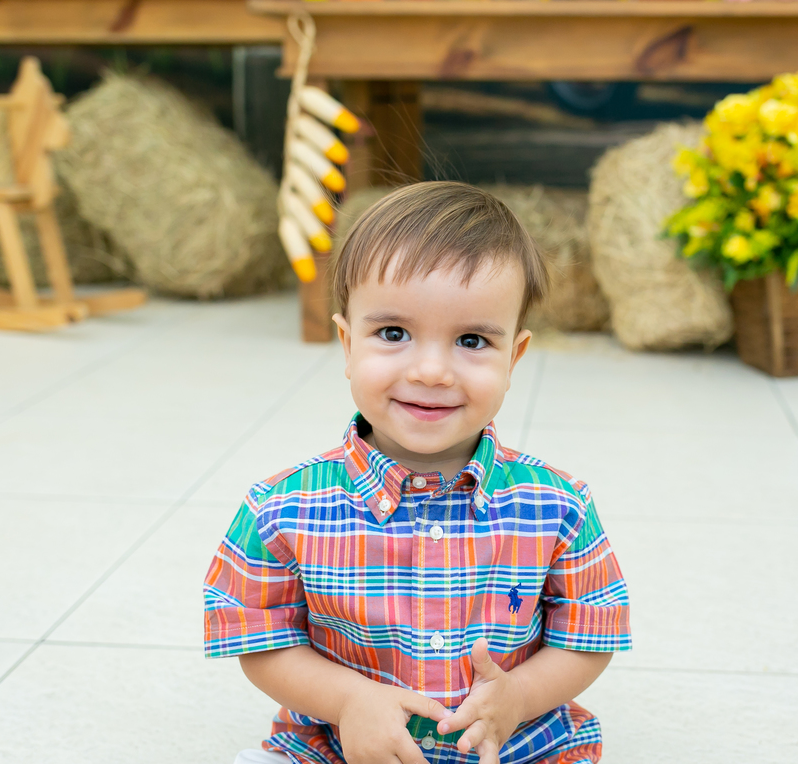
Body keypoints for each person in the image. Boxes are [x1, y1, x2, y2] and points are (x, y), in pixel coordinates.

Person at [203, 182, 630, 764]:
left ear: (514, 357)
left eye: (472, 340)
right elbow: (259, 640)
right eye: (394, 334)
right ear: (348, 343)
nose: (431, 370)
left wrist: (522, 694)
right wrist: (348, 701)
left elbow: (591, 633)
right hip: (337, 747)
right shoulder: (280, 508)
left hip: (520, 747)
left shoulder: (559, 506)